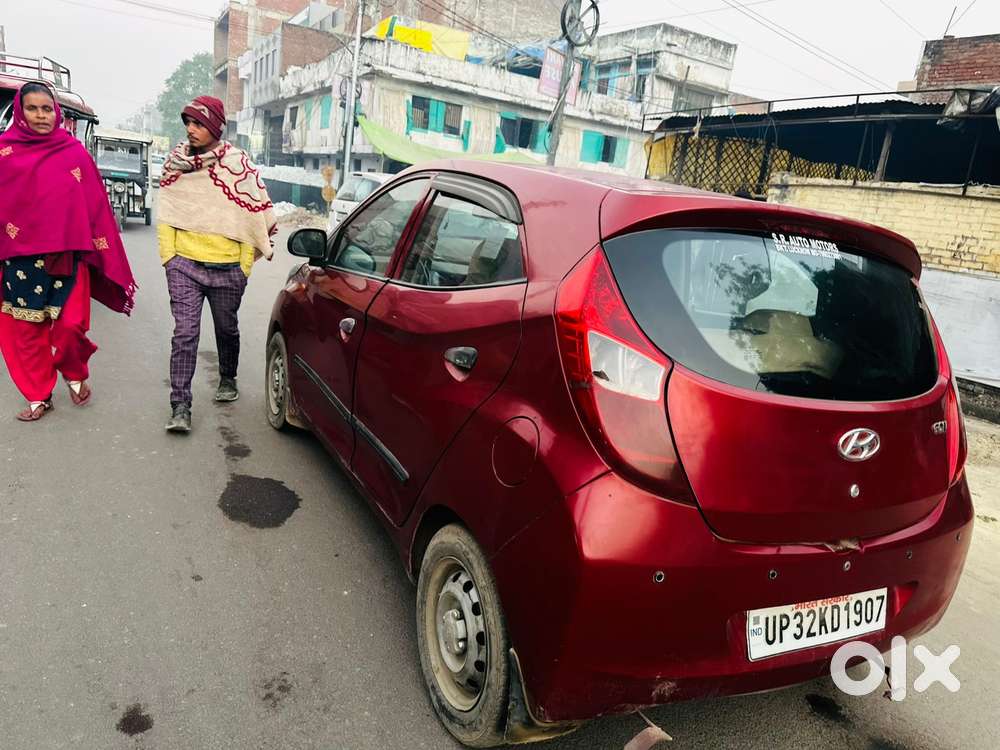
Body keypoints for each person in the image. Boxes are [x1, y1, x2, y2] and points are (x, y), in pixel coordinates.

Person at [0, 83, 136, 422]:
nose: (41, 116)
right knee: (24, 331)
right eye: (33, 109)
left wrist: (101, 250)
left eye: (47, 109)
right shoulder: (4, 152)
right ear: (21, 111)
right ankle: (37, 395)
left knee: (70, 326)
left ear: (56, 112)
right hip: (18, 257)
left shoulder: (74, 153)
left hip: (67, 257)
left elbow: (95, 207)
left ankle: (74, 371)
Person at [157, 95, 276, 433]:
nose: (191, 130)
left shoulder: (238, 164)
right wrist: (169, 257)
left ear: (215, 127)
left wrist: (244, 267)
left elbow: (254, 214)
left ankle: (228, 376)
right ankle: (180, 406)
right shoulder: (175, 164)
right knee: (185, 333)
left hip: (228, 268)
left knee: (226, 328)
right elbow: (167, 214)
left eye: (198, 123)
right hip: (184, 264)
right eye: (188, 123)